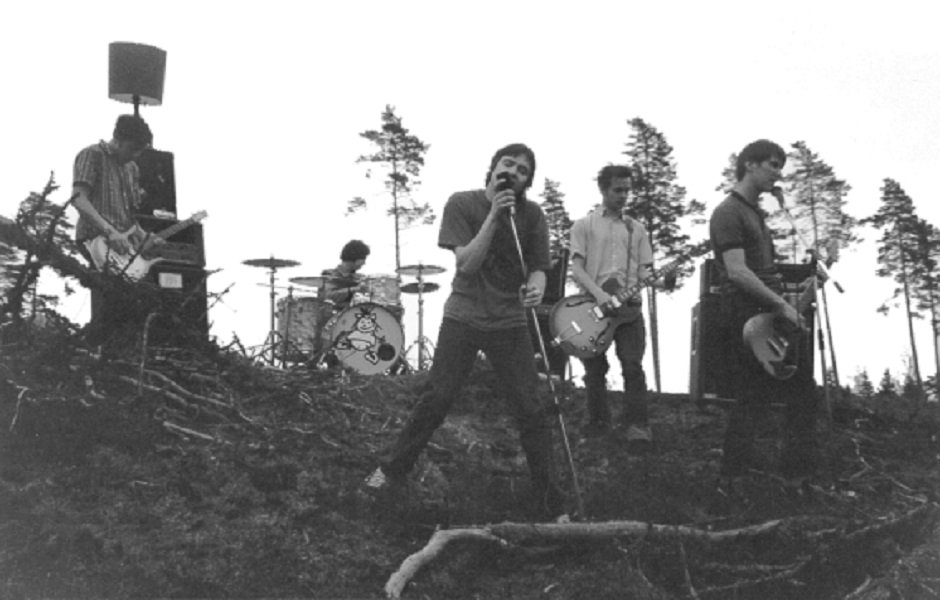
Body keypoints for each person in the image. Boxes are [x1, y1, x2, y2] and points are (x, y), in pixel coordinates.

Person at [363, 143, 567, 521]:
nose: (513, 172)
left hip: (509, 322)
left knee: (531, 408)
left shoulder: (533, 215)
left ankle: (551, 503)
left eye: (523, 171)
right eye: (508, 164)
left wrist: (537, 287)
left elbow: (540, 267)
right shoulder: (462, 204)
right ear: (493, 168)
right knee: (437, 398)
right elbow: (467, 264)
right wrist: (495, 215)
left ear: (527, 183)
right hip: (464, 316)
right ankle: (386, 473)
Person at [708, 139, 818, 491]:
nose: (777, 174)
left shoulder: (757, 215)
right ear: (749, 164)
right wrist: (782, 305)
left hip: (769, 314)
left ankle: (790, 477)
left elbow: (766, 274)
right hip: (747, 317)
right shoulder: (728, 212)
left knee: (796, 394)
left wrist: (809, 279)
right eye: (773, 165)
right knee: (755, 396)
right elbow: (738, 271)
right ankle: (735, 479)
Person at [568, 165, 664, 447]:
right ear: (603, 189)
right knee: (595, 368)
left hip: (629, 309)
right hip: (594, 307)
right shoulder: (584, 226)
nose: (623, 195)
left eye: (627, 190)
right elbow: (577, 268)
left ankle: (637, 426)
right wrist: (599, 295)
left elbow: (645, 271)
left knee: (632, 365)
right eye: (618, 190)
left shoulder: (637, 229)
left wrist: (662, 281)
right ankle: (598, 423)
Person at [72, 114, 158, 342]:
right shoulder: (92, 155)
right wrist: (109, 231)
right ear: (118, 139)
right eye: (132, 148)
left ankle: (117, 350)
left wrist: (142, 236)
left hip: (122, 242)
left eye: (140, 150)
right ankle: (96, 349)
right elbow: (79, 199)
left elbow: (129, 214)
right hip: (95, 238)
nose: (135, 155)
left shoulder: (132, 169)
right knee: (112, 297)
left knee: (135, 300)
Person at [320, 239, 371, 311]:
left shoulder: (360, 278)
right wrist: (353, 290)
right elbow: (328, 297)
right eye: (363, 258)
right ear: (356, 257)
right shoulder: (329, 275)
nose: (364, 263)